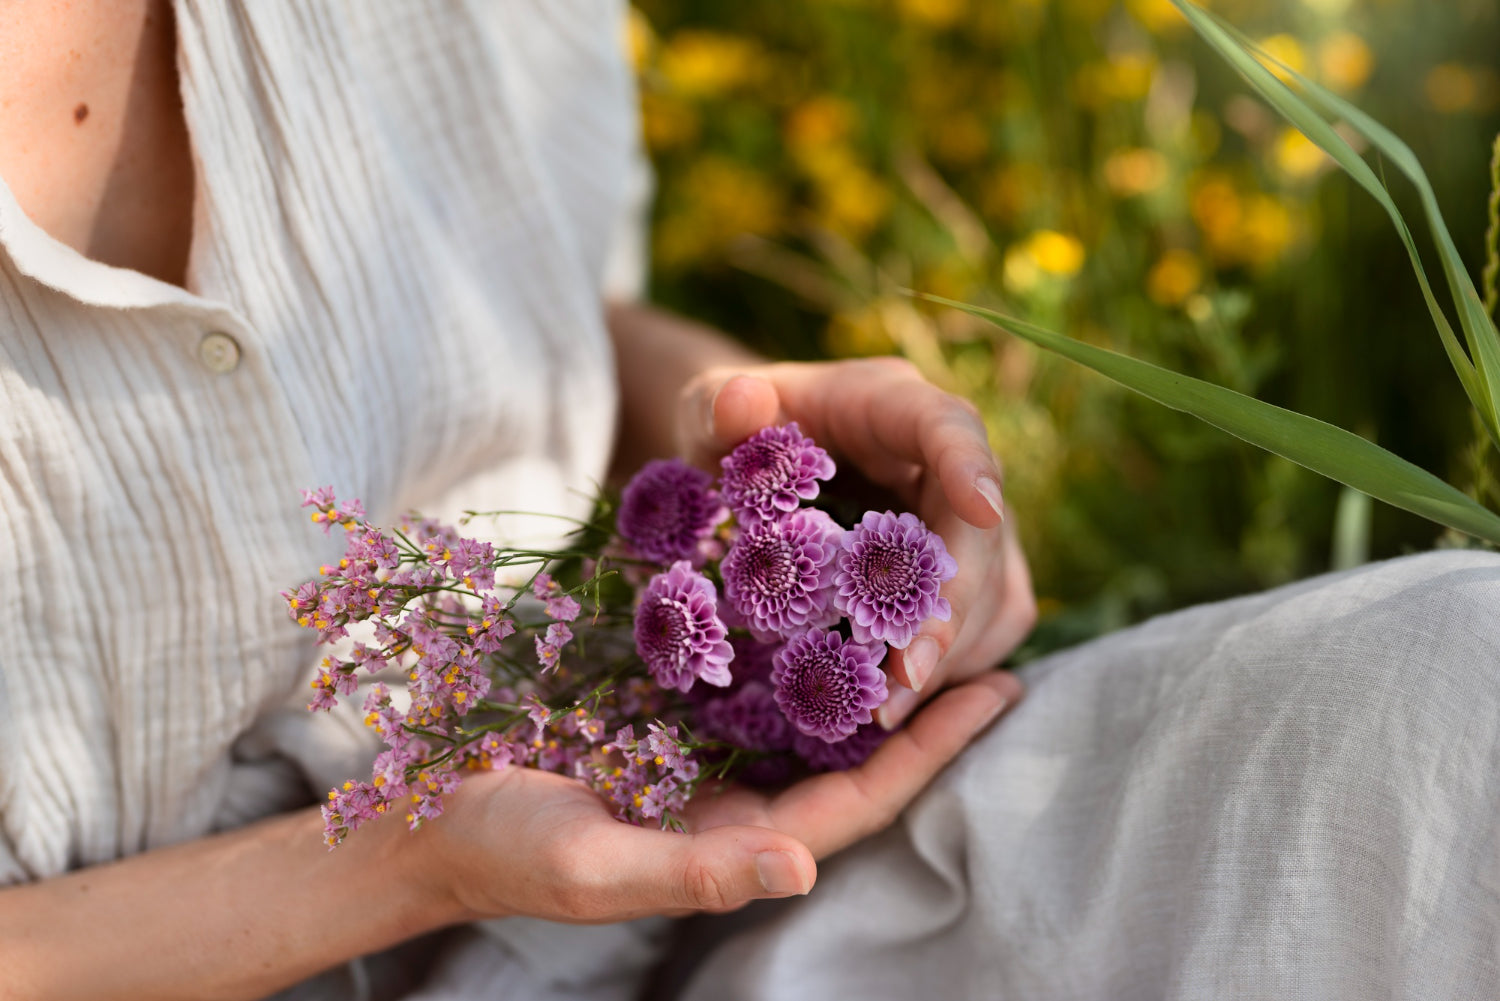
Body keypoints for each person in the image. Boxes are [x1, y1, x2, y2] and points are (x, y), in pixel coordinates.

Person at [1, 3, 1496, 1001]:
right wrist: (411, 858)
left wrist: (741, 432)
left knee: (1461, 688)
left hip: (679, 894)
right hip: (445, 885)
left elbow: (554, 318)